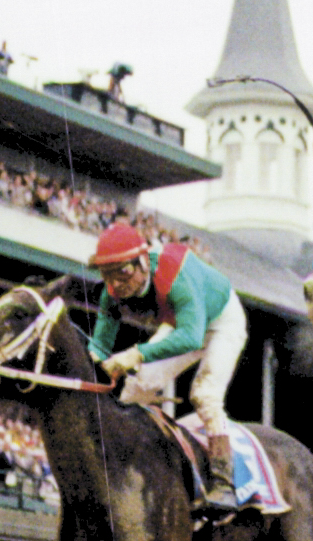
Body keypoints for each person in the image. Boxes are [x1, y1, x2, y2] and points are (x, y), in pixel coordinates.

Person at [86, 221, 247, 518]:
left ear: (143, 260)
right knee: (137, 385)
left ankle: (224, 483)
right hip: (180, 321)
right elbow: (98, 348)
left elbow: (191, 337)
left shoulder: (176, 273)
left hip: (221, 321)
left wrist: (135, 353)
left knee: (204, 394)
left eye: (123, 272)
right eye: (108, 275)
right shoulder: (112, 291)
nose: (117, 284)